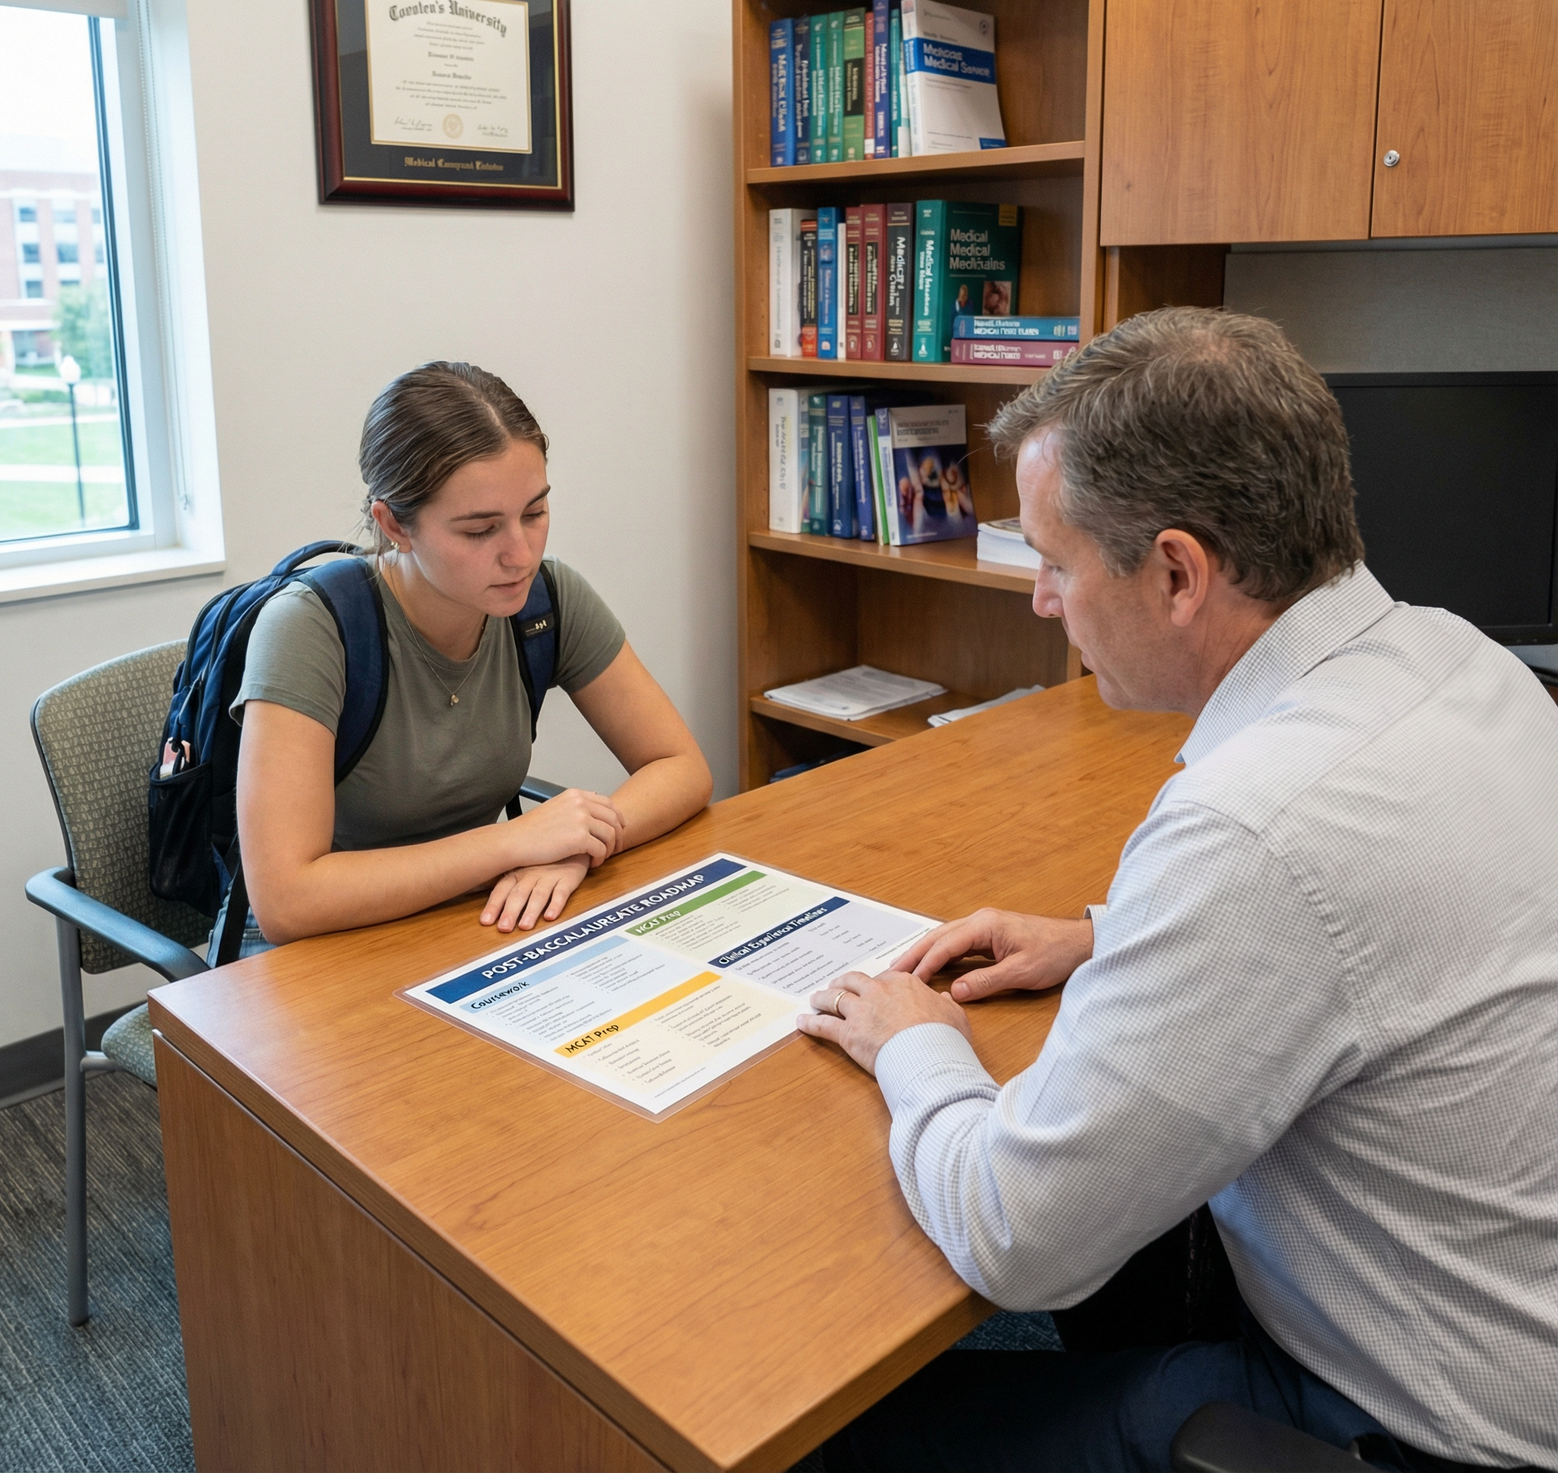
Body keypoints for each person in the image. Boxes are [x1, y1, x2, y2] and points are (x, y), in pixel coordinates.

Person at [798, 309, 1558, 1472]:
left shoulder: (1252, 827)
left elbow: (1014, 1236)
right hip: (1507, 1307)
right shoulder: (1463, 661)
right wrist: (1105, 937)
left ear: (1175, 573)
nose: (1042, 600)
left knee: (825, 1434)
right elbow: (1375, 925)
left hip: (1418, 1427)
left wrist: (916, 1045)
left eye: (1056, 564)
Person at [232, 361, 712, 948]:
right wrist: (515, 843)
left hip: (468, 917)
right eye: (480, 530)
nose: (521, 555)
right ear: (393, 524)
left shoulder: (550, 600)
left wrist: (577, 848)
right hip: (312, 951)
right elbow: (287, 901)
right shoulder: (310, 628)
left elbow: (681, 767)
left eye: (534, 513)